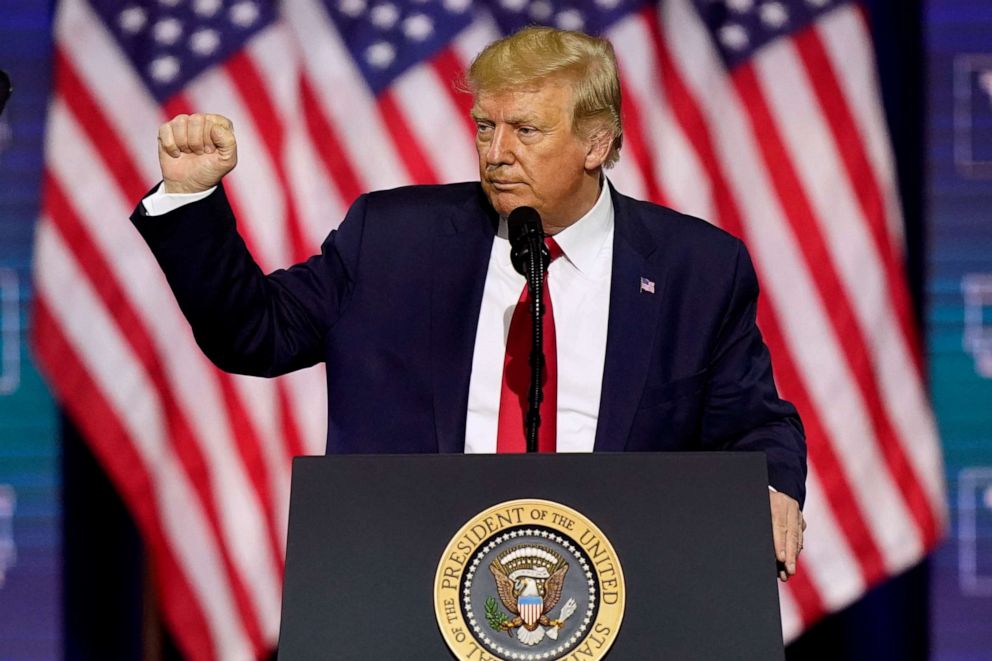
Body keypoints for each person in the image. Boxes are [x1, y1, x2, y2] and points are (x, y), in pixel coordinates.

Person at [132, 27, 806, 580]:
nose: (497, 153)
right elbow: (254, 332)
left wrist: (773, 482)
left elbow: (752, 421)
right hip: (411, 595)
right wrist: (190, 199)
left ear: (596, 143)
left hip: (622, 602)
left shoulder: (697, 269)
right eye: (486, 126)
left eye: (527, 131)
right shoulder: (391, 240)